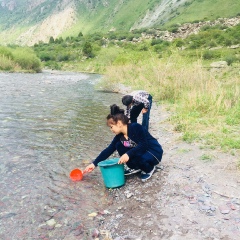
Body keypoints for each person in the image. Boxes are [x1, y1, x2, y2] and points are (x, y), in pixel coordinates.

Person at [84, 104, 163, 182]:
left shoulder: (135, 127)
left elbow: (144, 145)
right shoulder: (119, 137)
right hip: (143, 153)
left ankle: (149, 169)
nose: (111, 130)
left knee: (134, 154)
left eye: (111, 127)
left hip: (153, 152)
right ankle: (137, 167)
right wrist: (94, 164)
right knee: (118, 145)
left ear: (119, 123)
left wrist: (128, 154)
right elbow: (108, 150)